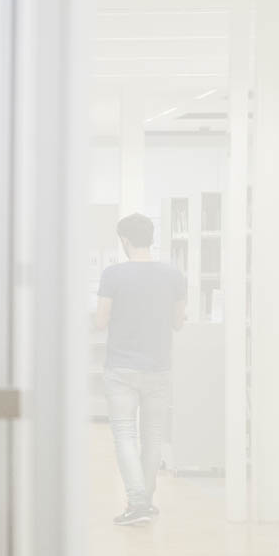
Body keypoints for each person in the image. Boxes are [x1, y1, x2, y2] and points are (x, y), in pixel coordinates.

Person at [95, 213, 186, 526]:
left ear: (125, 240)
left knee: (124, 434)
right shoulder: (174, 276)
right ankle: (145, 500)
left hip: (121, 367)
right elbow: (178, 322)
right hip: (159, 367)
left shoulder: (113, 275)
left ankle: (137, 503)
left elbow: (100, 321)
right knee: (153, 436)